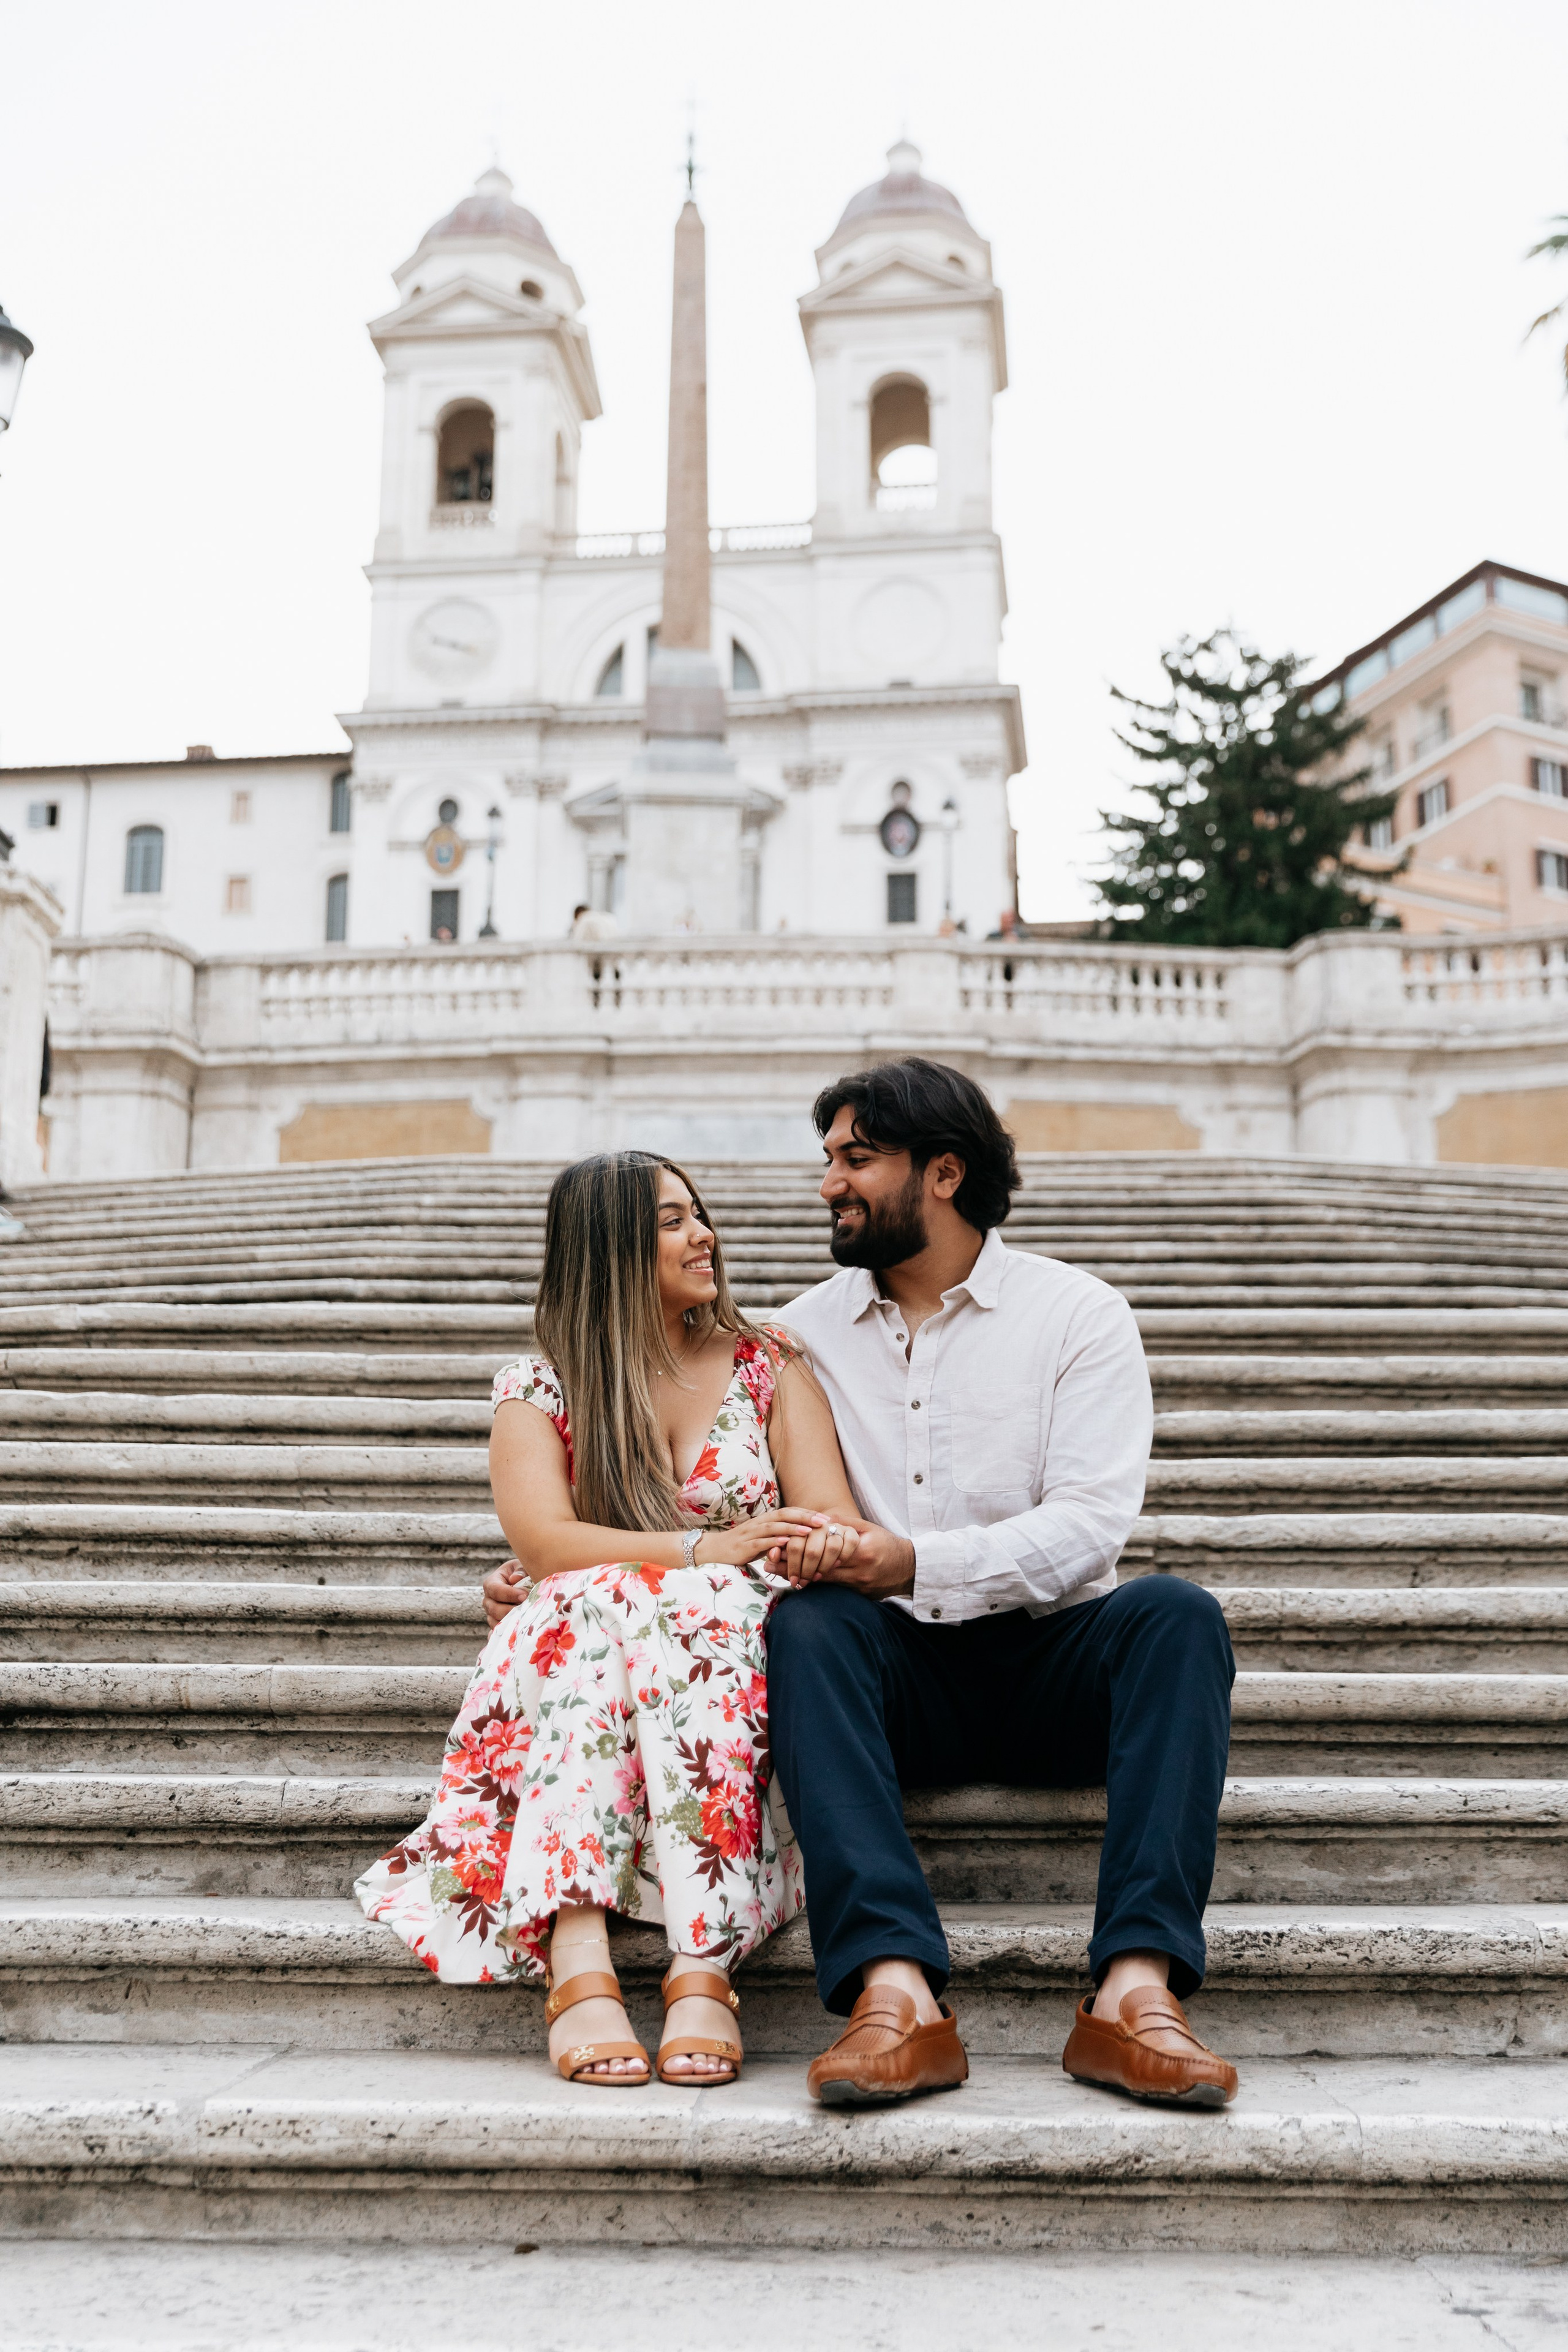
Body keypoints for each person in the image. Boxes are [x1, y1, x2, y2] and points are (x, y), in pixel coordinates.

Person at [759, 1056, 1238, 2109]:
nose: (830, 1182)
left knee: (1175, 1615)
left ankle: (1133, 1993)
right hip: (890, 1679)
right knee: (809, 1624)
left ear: (943, 1172)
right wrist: (558, 1561)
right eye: (829, 1159)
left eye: (857, 1159)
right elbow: (722, 1499)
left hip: (1050, 1663)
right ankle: (896, 1996)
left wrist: (916, 1559)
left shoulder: (1077, 1314)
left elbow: (1088, 1524)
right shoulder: (795, 1334)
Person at [358, 1150, 865, 2087]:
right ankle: (579, 1952)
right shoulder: (539, 1387)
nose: (703, 1234)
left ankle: (702, 1964)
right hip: (592, 1634)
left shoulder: (769, 1365)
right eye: (672, 1221)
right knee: (585, 1604)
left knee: (666, 1608)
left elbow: (827, 1517)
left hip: (731, 1639)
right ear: (611, 1248)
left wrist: (774, 1551)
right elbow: (547, 1543)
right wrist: (697, 1551)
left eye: (697, 1214)